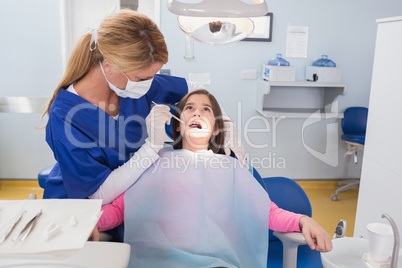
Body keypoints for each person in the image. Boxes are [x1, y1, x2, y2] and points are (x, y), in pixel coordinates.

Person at [97, 89, 332, 267]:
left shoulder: (232, 167)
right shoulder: (156, 160)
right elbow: (121, 209)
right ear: (177, 126)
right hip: (161, 261)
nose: (197, 112)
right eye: (189, 108)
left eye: (206, 109)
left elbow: (266, 212)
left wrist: (302, 221)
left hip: (218, 262)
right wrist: (87, 222)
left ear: (217, 129)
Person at [42, 9, 245, 209]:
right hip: (77, 210)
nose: (150, 84)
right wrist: (151, 149)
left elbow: (195, 89)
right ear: (109, 65)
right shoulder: (65, 115)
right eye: (143, 78)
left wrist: (225, 122)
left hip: (130, 197)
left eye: (153, 76)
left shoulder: (134, 87)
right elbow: (97, 194)